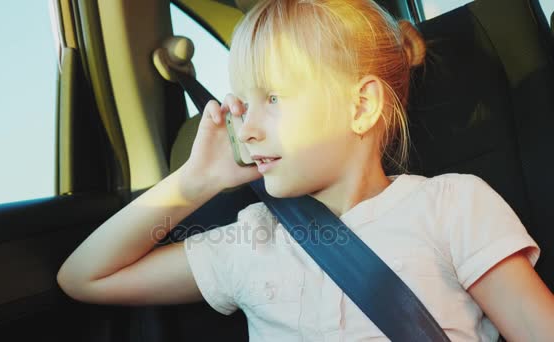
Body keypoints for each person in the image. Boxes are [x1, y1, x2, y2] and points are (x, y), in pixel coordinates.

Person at [56, 0, 554, 340]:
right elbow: (86, 278)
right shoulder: (252, 240)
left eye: (272, 97)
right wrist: (195, 182)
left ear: (361, 106)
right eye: (243, 105)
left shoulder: (451, 206)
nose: (246, 128)